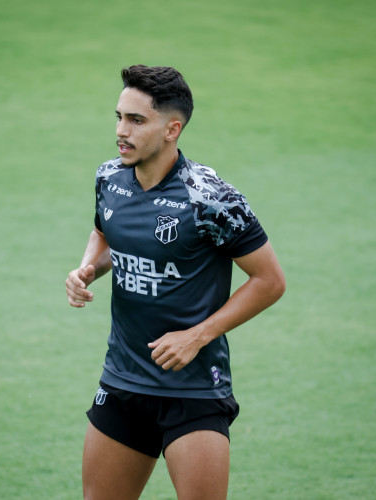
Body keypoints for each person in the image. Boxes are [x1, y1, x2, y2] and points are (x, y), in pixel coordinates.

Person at [65, 64, 286, 500]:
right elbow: (106, 231)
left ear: (172, 129)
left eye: (136, 120)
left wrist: (196, 336)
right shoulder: (109, 178)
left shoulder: (212, 199)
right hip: (123, 380)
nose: (121, 131)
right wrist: (88, 266)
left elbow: (269, 281)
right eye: (119, 117)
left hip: (194, 390)